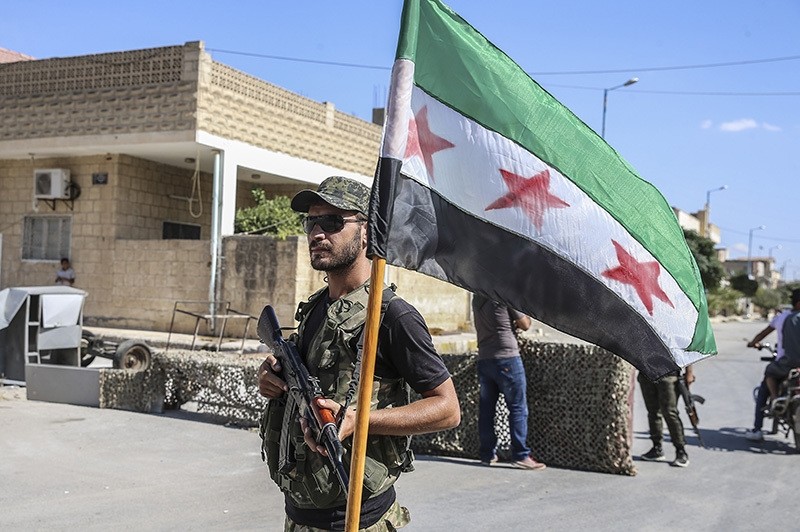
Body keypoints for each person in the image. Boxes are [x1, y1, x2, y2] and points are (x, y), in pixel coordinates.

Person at [256, 175, 461, 531]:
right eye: (311, 222)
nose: (317, 233)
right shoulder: (318, 307)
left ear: (367, 231)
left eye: (332, 222)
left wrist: (358, 421)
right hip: (299, 516)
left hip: (359, 521)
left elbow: (447, 409)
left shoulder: (392, 316)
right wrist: (272, 376)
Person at [472, 294, 545, 471]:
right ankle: (521, 455)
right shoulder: (504, 295)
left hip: (485, 358)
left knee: (487, 410)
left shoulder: (477, 297)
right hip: (507, 358)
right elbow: (525, 324)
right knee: (518, 408)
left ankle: (487, 454)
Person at [745, 288, 800, 441]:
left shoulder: (785, 318)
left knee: (767, 380)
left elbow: (763, 334)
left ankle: (758, 428)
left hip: (787, 363)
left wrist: (753, 343)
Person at [637, 365, 694, 468]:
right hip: (646, 373)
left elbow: (687, 354)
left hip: (668, 375)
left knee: (670, 413)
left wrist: (689, 372)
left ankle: (680, 450)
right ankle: (657, 448)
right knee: (653, 412)